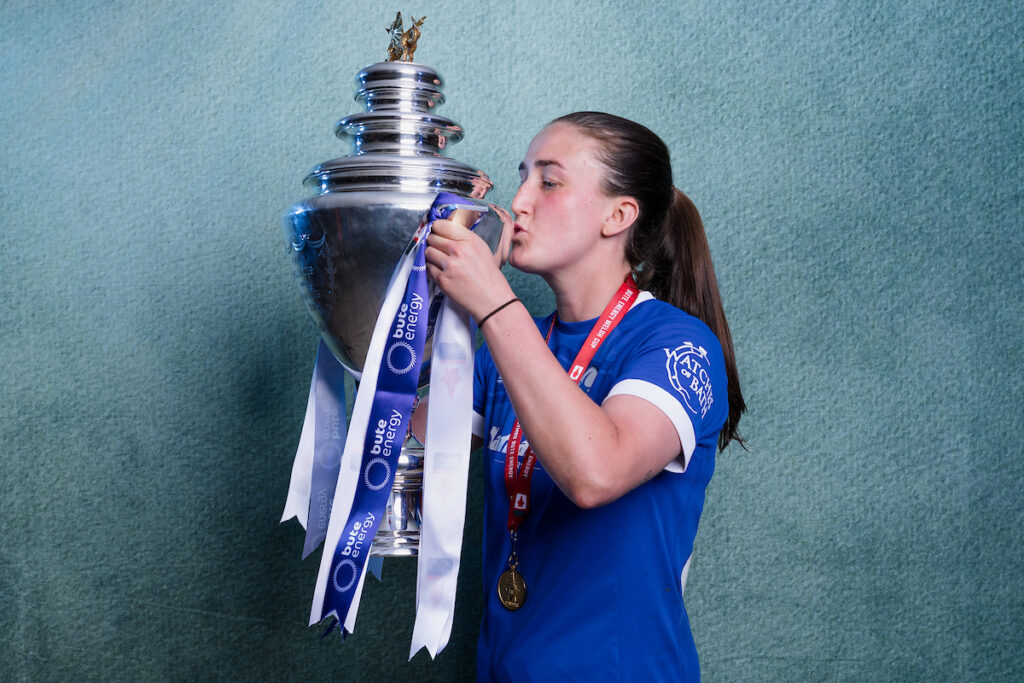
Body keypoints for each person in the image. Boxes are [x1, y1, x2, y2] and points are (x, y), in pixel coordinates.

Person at [423, 112, 745, 681]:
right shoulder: (510, 346)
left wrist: (494, 302)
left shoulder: (678, 344)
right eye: (522, 177)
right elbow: (393, 460)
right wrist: (420, 307)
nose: (518, 201)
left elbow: (596, 472)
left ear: (618, 215)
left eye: (548, 182)